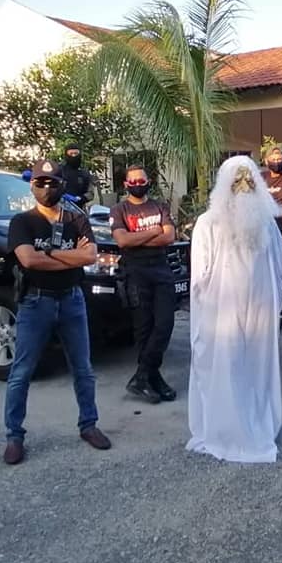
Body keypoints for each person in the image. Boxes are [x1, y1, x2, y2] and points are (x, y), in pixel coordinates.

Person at [3, 159, 111, 464]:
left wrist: (49, 252)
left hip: (71, 299)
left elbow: (90, 256)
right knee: (21, 372)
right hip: (35, 301)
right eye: (41, 183)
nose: (46, 188)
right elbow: (28, 260)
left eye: (52, 183)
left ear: (62, 185)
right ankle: (14, 436)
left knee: (83, 369)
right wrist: (69, 256)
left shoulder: (77, 220)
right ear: (32, 185)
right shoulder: (22, 222)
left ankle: (88, 425)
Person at [187, 156, 282, 462]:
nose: (244, 187)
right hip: (222, 314)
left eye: (249, 180)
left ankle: (255, 423)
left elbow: (279, 268)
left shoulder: (266, 224)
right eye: (237, 181)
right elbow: (199, 278)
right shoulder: (208, 224)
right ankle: (228, 428)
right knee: (226, 366)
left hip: (259, 312)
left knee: (256, 367)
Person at [109, 165, 178, 404]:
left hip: (161, 269)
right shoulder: (119, 209)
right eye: (133, 181)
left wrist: (136, 238)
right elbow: (122, 240)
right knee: (144, 328)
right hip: (135, 271)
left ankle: (141, 377)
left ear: (149, 181)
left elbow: (169, 236)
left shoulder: (160, 206)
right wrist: (154, 231)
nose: (138, 184)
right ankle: (152, 379)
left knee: (165, 324)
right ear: (126, 184)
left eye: (141, 180)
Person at [61, 142, 94, 209]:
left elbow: (90, 193)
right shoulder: (59, 171)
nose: (73, 156)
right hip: (60, 208)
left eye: (76, 153)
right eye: (71, 153)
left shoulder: (84, 173)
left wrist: (80, 199)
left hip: (79, 209)